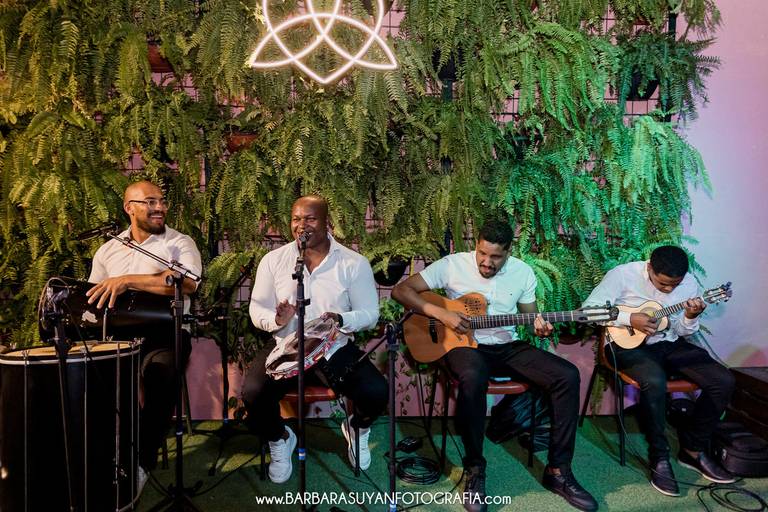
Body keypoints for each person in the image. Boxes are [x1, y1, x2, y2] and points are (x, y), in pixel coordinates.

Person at [392, 220, 598, 512]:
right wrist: (442, 314)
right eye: (482, 254)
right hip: (463, 345)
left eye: (496, 257)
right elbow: (401, 291)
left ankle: (558, 471)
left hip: (506, 345)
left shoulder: (523, 273)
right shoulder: (452, 265)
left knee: (566, 375)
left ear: (509, 251)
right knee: (473, 376)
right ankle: (475, 468)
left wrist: (540, 326)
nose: (487, 262)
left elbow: (531, 317)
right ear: (476, 245)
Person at [244, 195, 388, 483]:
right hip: (285, 346)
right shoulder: (274, 261)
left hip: (333, 347)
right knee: (253, 393)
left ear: (327, 223)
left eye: (310, 219)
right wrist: (277, 319)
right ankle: (281, 438)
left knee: (376, 392)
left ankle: (357, 428)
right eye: (296, 219)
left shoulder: (353, 263)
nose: (302, 225)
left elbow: (370, 314)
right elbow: (256, 309)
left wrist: (341, 319)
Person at [583, 245, 735, 496]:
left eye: (675, 285)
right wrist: (629, 319)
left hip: (668, 343)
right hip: (625, 346)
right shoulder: (623, 274)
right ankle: (659, 457)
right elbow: (589, 311)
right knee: (654, 381)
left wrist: (691, 315)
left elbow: (684, 331)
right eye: (663, 284)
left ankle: (693, 449)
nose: (668, 290)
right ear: (649, 268)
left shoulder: (688, 283)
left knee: (723, 380)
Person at [86, 180, 202, 493]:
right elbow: (94, 298)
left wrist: (127, 281)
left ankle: (140, 462)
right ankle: (107, 457)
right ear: (129, 208)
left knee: (160, 376)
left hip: (166, 333)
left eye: (162, 201)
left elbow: (188, 282)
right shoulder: (108, 250)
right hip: (116, 337)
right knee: (95, 380)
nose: (159, 207)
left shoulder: (178, 243)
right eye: (150, 202)